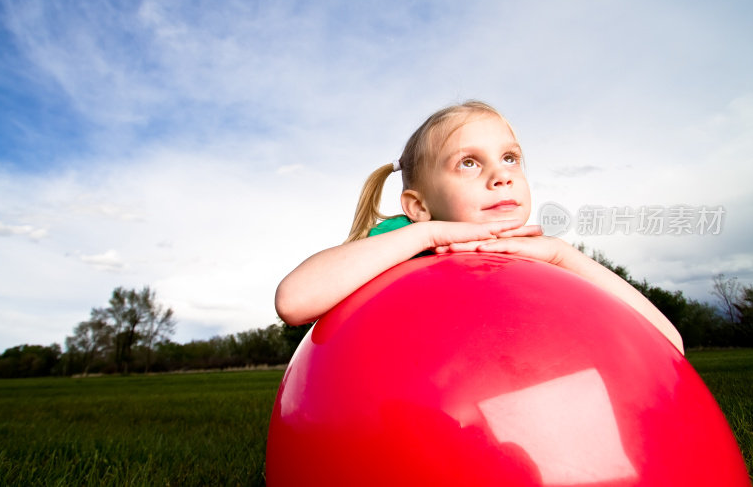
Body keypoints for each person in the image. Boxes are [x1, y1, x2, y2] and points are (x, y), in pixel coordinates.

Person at [275, 101, 684, 354]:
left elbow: (667, 343)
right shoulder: (404, 244)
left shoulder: (538, 255)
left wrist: (563, 255)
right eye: (468, 163)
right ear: (418, 206)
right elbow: (294, 302)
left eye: (510, 158)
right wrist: (427, 234)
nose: (500, 175)